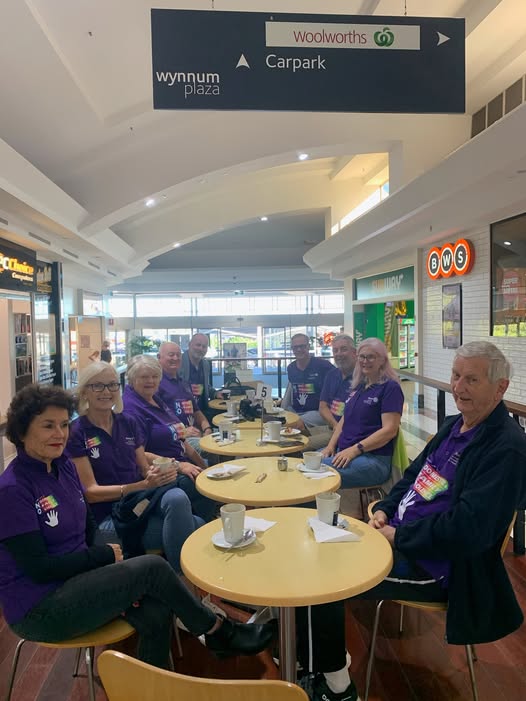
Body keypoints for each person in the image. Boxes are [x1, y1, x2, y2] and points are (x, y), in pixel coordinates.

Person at [298, 341, 526, 701]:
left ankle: (337, 687)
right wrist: (385, 508)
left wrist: (397, 536)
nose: (458, 387)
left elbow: (469, 530)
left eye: (472, 379)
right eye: (456, 375)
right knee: (317, 545)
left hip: (439, 566)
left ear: (500, 388)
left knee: (325, 574)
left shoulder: (506, 447)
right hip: (401, 535)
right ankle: (311, 654)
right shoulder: (454, 425)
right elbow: (413, 476)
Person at [0, 384, 274, 671]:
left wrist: (108, 569)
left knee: (157, 610)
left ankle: (148, 686)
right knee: (152, 567)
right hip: (40, 608)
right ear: (22, 431)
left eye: (64, 425)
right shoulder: (13, 489)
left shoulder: (63, 465)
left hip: (78, 580)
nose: (59, 434)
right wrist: (104, 556)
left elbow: (87, 524)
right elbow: (39, 569)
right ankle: (218, 632)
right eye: (48, 426)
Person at [67, 361, 201, 573]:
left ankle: (180, 578)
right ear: (84, 392)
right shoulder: (76, 432)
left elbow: (143, 468)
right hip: (109, 514)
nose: (107, 392)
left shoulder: (127, 422)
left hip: (138, 501)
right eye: (98, 386)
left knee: (178, 497)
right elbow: (91, 493)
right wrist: (141, 485)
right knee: (198, 525)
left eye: (112, 385)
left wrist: (155, 474)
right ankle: (183, 580)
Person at [122, 354, 216, 523]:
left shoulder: (155, 399)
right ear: (132, 379)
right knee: (206, 487)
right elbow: (138, 454)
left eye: (155, 376)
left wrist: (203, 466)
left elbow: (182, 440)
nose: (150, 381)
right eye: (144, 377)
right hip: (165, 474)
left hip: (181, 463)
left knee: (214, 475)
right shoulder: (131, 409)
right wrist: (179, 465)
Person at [321, 338, 404, 488]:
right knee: (305, 463)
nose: (365, 361)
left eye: (371, 357)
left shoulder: (390, 388)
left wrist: (355, 450)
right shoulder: (360, 386)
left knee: (314, 472)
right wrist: (330, 446)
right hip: (345, 451)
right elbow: (344, 420)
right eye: (362, 357)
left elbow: (389, 430)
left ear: (382, 360)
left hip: (372, 459)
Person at [157, 341, 214, 452]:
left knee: (225, 439)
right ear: (159, 357)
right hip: (177, 439)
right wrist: (182, 431)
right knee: (212, 448)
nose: (175, 358)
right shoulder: (156, 384)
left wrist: (207, 428)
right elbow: (156, 421)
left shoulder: (184, 383)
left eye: (178, 355)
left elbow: (196, 411)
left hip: (195, 433)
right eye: (171, 355)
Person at [282, 333, 333, 432]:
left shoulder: (323, 366)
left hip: (317, 412)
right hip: (296, 411)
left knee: (293, 424)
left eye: (302, 346)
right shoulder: (291, 368)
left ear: (308, 347)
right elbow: (292, 390)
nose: (299, 350)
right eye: (295, 347)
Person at [319, 334, 357, 431]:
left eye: (343, 349)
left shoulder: (362, 376)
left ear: (354, 352)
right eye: (335, 351)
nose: (339, 354)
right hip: (332, 427)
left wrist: (339, 429)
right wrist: (335, 425)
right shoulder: (331, 375)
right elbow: (323, 407)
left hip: (351, 432)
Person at [180, 333, 215, 417]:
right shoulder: (178, 362)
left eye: (204, 346)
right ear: (189, 344)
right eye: (198, 345)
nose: (201, 349)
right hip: (184, 413)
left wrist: (215, 393)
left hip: (203, 411)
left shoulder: (205, 364)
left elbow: (205, 386)